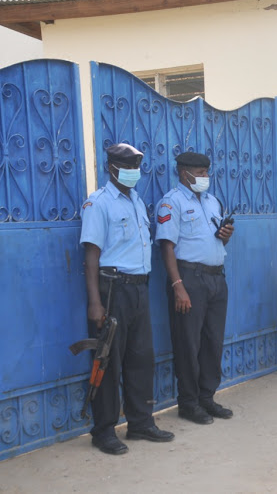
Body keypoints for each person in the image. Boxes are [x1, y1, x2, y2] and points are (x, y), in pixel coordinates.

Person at [80, 143, 174, 455]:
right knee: (108, 359)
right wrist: (95, 302)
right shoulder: (99, 203)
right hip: (112, 289)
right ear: (112, 168)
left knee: (140, 358)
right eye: (128, 166)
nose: (134, 172)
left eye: (137, 166)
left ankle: (141, 422)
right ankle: (104, 430)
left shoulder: (135, 200)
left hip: (138, 288)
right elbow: (91, 255)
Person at [155, 152, 235, 425]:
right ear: (183, 173)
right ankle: (188, 402)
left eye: (205, 172)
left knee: (213, 341)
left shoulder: (213, 201)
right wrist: (178, 285)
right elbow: (167, 246)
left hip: (216, 279)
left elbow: (217, 242)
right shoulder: (171, 203)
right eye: (199, 173)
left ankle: (206, 397)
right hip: (189, 278)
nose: (204, 178)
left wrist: (226, 236)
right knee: (188, 343)